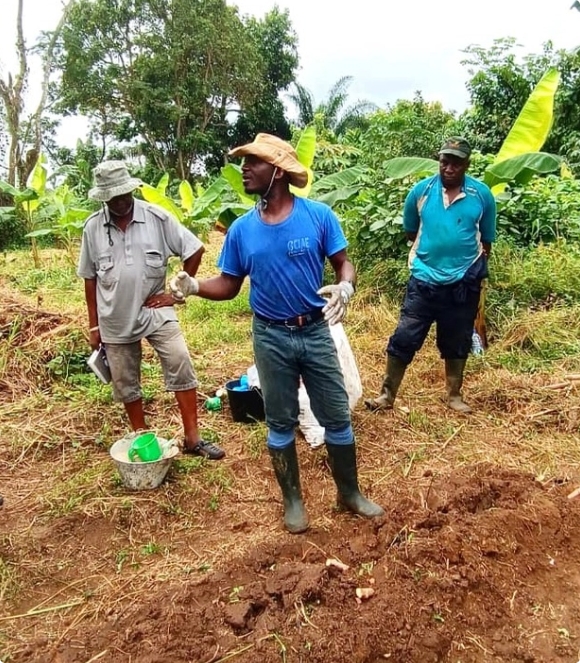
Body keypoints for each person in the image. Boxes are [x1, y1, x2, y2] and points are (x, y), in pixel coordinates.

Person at [169, 133, 384, 533]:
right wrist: (195, 287)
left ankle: (349, 494)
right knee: (280, 422)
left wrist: (345, 287)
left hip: (316, 330)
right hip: (270, 336)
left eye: (254, 162)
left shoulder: (318, 216)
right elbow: (230, 285)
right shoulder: (241, 231)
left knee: (336, 417)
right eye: (244, 162)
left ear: (278, 172)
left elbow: (344, 263)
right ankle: (293, 502)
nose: (245, 169)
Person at [77, 160, 225, 460]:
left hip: (155, 309)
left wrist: (176, 293)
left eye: (123, 194)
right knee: (125, 379)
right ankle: (143, 439)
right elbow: (90, 279)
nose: (119, 201)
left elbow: (194, 249)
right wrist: (94, 327)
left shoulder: (157, 217)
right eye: (112, 197)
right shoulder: (92, 228)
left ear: (131, 190)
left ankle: (193, 438)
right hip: (114, 316)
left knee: (180, 360)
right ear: (104, 197)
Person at [365, 137, 496, 414]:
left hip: (463, 283)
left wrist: (471, 271)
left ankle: (454, 395)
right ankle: (386, 396)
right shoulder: (421, 192)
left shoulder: (481, 195)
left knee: (457, 339)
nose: (449, 168)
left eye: (456, 163)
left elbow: (486, 241)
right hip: (424, 280)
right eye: (444, 161)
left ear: (466, 165)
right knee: (404, 336)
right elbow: (412, 232)